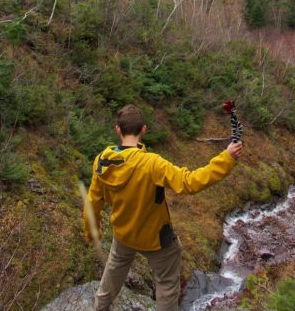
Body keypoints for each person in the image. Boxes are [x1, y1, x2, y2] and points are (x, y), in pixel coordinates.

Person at [83, 103, 243, 311]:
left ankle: (99, 306)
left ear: (117, 130)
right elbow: (190, 182)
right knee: (166, 285)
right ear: (143, 130)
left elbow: (93, 203)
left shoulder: (102, 161)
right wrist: (227, 158)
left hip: (123, 234)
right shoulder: (151, 163)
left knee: (114, 270)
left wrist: (90, 233)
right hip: (156, 239)